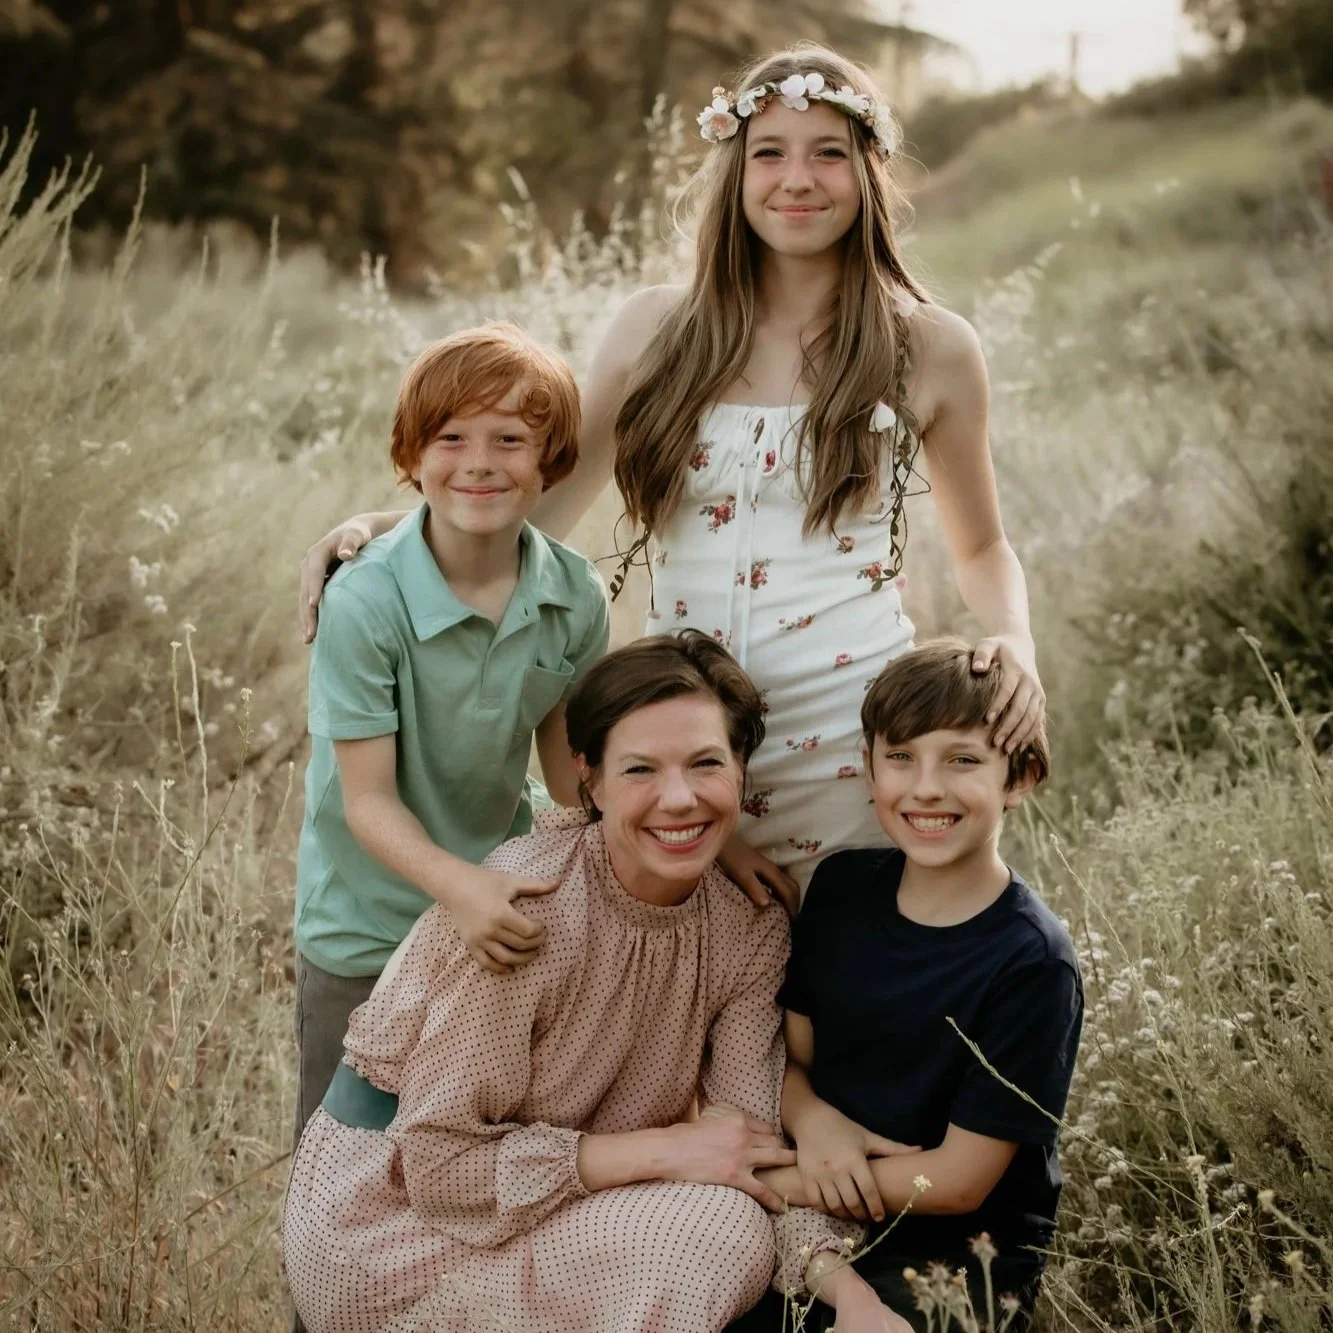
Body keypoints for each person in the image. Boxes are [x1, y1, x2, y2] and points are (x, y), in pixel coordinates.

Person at [297, 43, 1047, 907]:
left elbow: (983, 544)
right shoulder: (657, 328)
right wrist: (382, 527)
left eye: (828, 153)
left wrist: (1016, 647)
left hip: (848, 736)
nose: (796, 179)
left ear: (869, 170)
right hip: (682, 738)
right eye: (768, 152)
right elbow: (536, 500)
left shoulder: (930, 345)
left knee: (835, 1001)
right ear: (734, 171)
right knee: (679, 1001)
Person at [283, 632, 829, 1333]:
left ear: (741, 769)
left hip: (554, 1200)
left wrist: (852, 1292)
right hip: (392, 1226)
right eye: (639, 770)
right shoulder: (528, 904)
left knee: (727, 1227)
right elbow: (441, 1167)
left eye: (705, 764)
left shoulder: (747, 929)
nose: (678, 797)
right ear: (587, 779)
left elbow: (743, 1148)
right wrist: (661, 1150)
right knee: (709, 1231)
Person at [292, 322, 610, 1163]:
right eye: (451, 437)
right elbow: (367, 801)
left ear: (552, 461)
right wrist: (458, 889)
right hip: (368, 929)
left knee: (466, 1166)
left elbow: (569, 775)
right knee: (345, 1174)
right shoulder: (364, 602)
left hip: (495, 925)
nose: (480, 462)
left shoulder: (574, 597)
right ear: (411, 455)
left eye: (511, 439)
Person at [735, 638, 1083, 1333]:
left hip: (956, 1247)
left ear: (1019, 777)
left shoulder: (1032, 961)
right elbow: (792, 1057)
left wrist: (775, 1182)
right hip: (818, 1202)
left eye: (962, 759)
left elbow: (958, 1180)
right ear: (866, 768)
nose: (925, 786)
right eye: (900, 756)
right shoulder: (838, 888)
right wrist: (816, 1121)